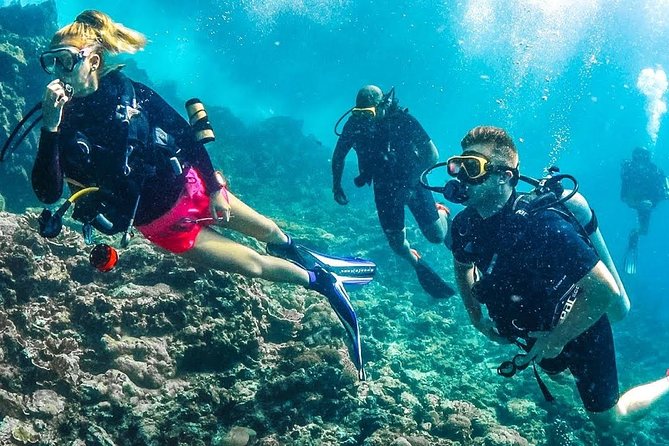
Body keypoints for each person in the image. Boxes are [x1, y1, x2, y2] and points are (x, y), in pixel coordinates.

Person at [30, 10, 370, 380]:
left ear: (92, 61)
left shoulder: (130, 92)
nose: (58, 71)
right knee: (253, 265)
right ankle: (323, 283)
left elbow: (185, 137)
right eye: (51, 63)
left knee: (270, 231)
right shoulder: (60, 120)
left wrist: (214, 189)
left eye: (65, 60)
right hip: (163, 226)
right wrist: (50, 126)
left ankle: (315, 258)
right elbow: (48, 191)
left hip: (193, 188)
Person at [448, 125, 668, 426]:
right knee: (554, 371)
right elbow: (462, 267)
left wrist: (555, 339)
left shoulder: (543, 224)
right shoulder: (463, 225)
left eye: (472, 167)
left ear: (504, 176)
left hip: (582, 326)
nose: (460, 176)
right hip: (536, 330)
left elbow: (605, 290)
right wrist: (477, 320)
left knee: (610, 423)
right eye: (458, 165)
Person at [331, 85, 454, 299]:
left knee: (436, 236)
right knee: (397, 244)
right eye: (359, 113)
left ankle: (443, 213)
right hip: (384, 188)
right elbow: (339, 155)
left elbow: (432, 155)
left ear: (383, 105)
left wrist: (409, 183)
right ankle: (415, 261)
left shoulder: (404, 121)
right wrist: (336, 185)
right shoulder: (354, 125)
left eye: (368, 113)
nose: (364, 119)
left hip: (413, 184)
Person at [620, 146, 668, 275]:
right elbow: (624, 196)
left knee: (644, 231)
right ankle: (634, 235)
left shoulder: (655, 171)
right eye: (638, 157)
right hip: (636, 200)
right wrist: (637, 203)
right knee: (643, 228)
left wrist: (652, 203)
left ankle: (634, 235)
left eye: (643, 157)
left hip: (648, 201)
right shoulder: (628, 171)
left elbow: (664, 192)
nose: (640, 161)